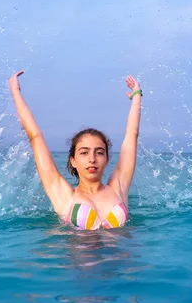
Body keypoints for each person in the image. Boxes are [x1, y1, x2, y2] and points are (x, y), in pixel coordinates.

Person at [8, 70, 142, 230]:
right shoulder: (64, 195)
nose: (92, 159)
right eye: (84, 152)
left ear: (106, 160)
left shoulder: (118, 188)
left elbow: (131, 135)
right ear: (73, 160)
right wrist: (15, 92)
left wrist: (137, 95)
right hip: (78, 255)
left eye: (99, 152)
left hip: (122, 255)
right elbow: (35, 137)